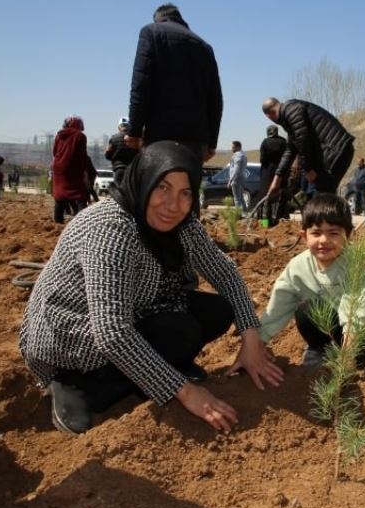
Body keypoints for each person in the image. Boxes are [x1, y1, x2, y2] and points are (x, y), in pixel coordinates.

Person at [19, 141, 284, 434]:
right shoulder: (109, 228)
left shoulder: (182, 223)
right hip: (71, 337)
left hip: (134, 308)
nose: (173, 205)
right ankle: (78, 384)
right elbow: (112, 332)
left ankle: (152, 372)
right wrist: (186, 393)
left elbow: (223, 271)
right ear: (143, 180)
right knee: (177, 333)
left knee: (216, 311)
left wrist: (250, 338)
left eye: (185, 193)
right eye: (163, 187)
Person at [258, 193, 365, 369]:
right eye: (316, 233)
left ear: (349, 236)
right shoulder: (297, 267)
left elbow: (354, 307)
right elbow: (279, 305)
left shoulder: (353, 263)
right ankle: (319, 348)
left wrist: (348, 353)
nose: (324, 240)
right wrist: (258, 343)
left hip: (357, 328)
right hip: (327, 327)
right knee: (305, 310)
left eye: (333, 233)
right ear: (304, 236)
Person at [125, 2, 223, 212]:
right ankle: (191, 243)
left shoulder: (151, 33)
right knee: (187, 193)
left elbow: (140, 84)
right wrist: (211, 143)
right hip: (195, 139)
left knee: (157, 190)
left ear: (158, 18)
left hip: (161, 133)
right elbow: (215, 99)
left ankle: (154, 244)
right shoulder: (204, 47)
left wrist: (134, 130)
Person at [261, 97, 355, 198]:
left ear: (269, 115)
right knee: (324, 196)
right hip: (336, 150)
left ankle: (327, 213)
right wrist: (276, 181)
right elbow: (290, 150)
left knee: (321, 196)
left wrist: (308, 169)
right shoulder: (290, 115)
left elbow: (303, 140)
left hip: (335, 150)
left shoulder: (291, 110)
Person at [50, 116, 93, 223]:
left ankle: (58, 219)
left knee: (60, 195)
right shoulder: (80, 136)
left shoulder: (59, 135)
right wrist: (84, 171)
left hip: (59, 168)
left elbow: (55, 152)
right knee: (79, 195)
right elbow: (82, 155)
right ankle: (82, 221)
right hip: (74, 168)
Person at [259, 124, 287, 223]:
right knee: (281, 198)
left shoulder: (265, 142)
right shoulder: (283, 142)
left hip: (267, 172)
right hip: (281, 172)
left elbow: (262, 159)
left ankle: (265, 223)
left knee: (265, 198)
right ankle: (279, 222)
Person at [105, 117, 139, 185]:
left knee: (118, 192)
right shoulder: (135, 138)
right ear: (129, 126)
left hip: (119, 169)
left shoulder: (113, 138)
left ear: (119, 127)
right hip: (132, 170)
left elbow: (108, 155)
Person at [228, 140, 248, 214]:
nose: (232, 149)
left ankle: (238, 214)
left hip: (236, 179)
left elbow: (236, 169)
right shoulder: (244, 155)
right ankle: (245, 213)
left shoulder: (237, 155)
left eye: (233, 147)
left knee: (237, 199)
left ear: (238, 147)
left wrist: (231, 179)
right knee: (241, 198)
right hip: (242, 178)